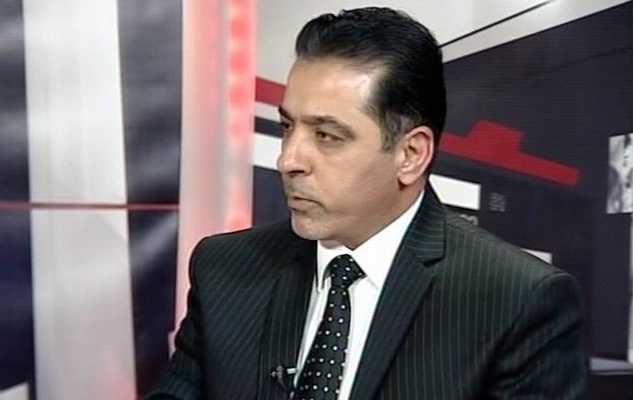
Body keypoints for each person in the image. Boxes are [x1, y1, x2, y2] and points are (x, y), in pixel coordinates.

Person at [146, 7, 585, 400]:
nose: (288, 160)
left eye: (327, 136)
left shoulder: (518, 302)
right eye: (287, 127)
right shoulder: (224, 268)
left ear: (410, 154)